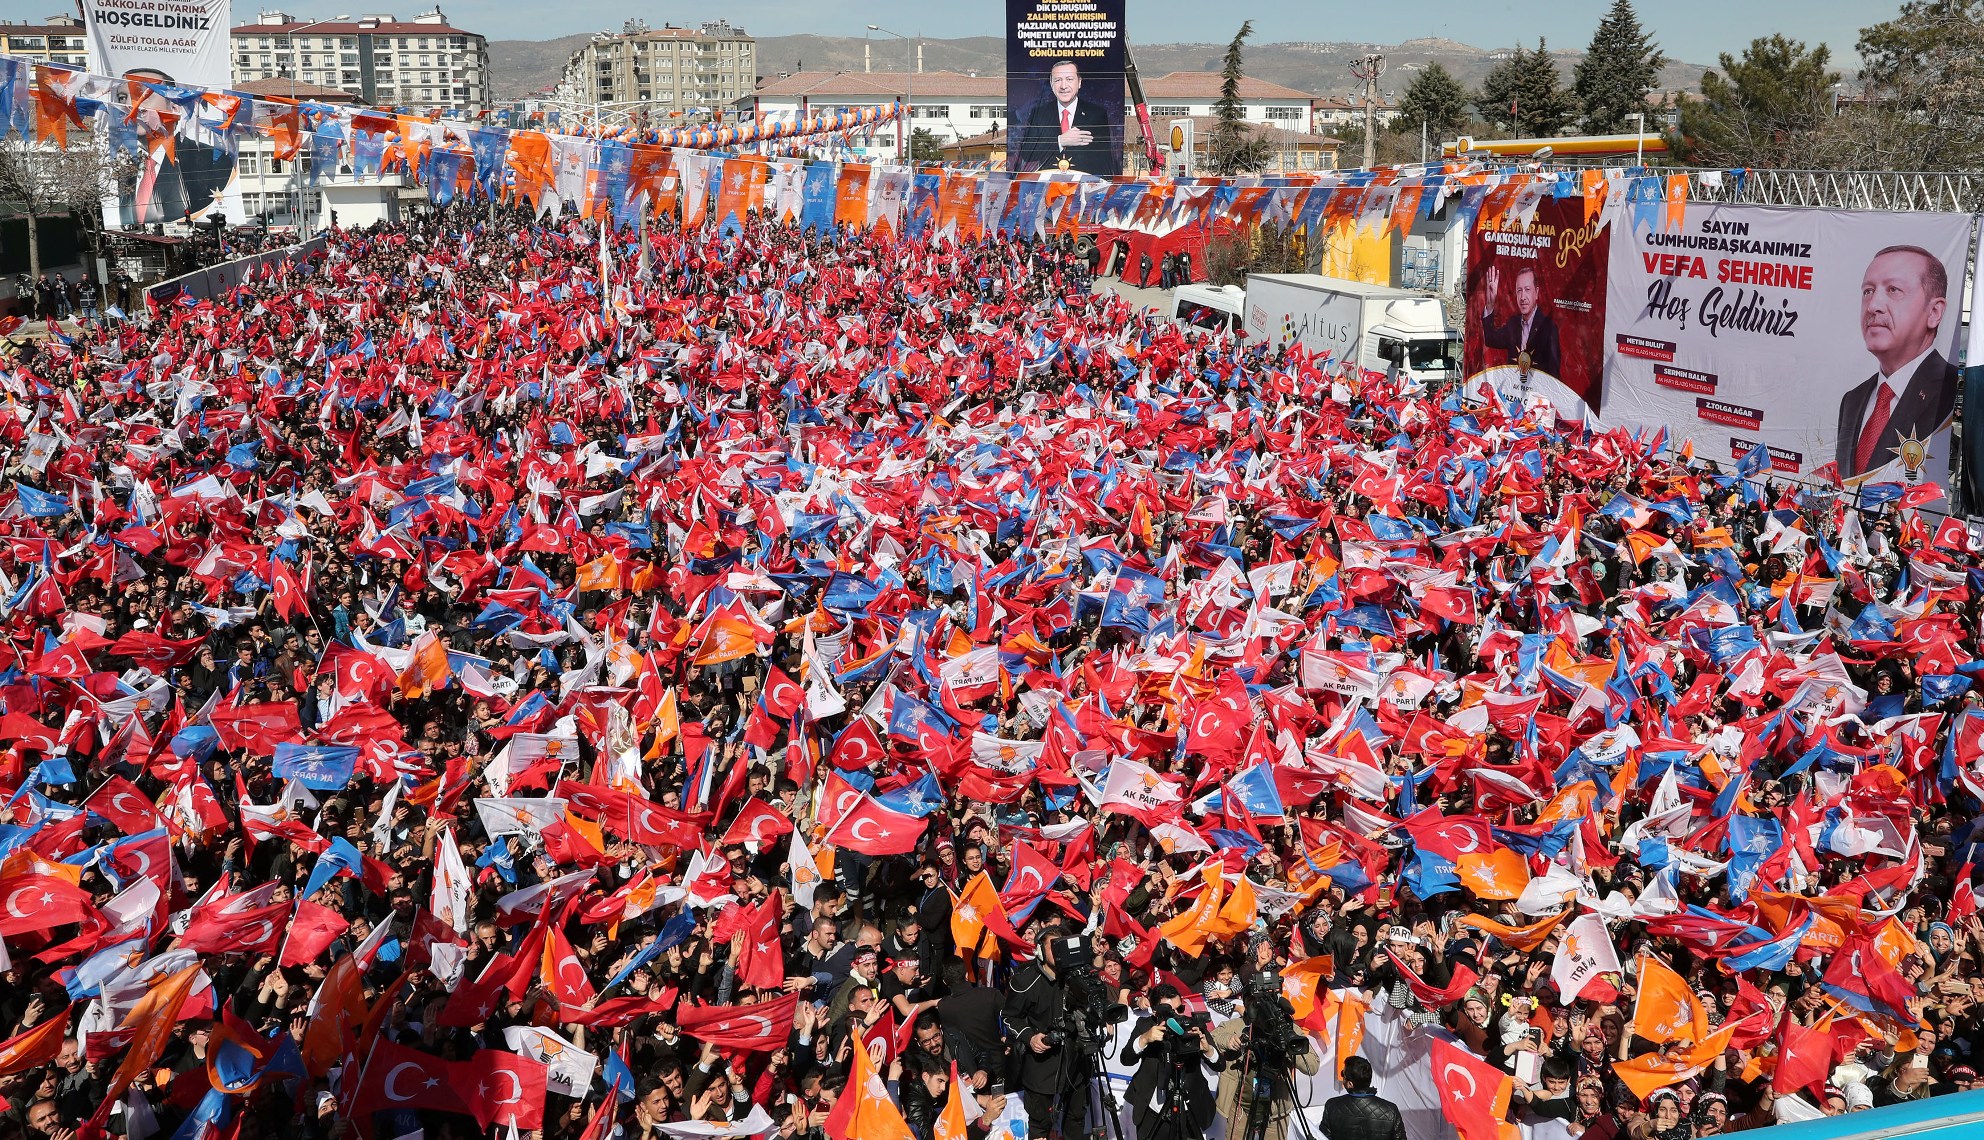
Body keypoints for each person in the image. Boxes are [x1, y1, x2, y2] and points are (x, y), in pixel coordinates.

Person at [1835, 244, 1959, 481]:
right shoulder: (1853, 400)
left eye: (1893, 289)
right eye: (1868, 291)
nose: (1873, 306)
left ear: (1934, 312)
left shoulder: (1950, 389)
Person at [1122, 983, 1221, 1140]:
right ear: (1155, 1011)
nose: (1177, 1015)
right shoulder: (1145, 1025)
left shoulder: (1193, 1026)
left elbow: (1220, 1065)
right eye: (1170, 1012)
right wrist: (1144, 1039)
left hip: (1189, 1110)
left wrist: (1207, 1049)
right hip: (1153, 1111)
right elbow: (1126, 1059)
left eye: (1180, 1009)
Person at [1013, 60, 1116, 176]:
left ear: (1079, 82)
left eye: (1069, 79)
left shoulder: (1097, 114)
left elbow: (1104, 159)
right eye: (1058, 80)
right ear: (1051, 84)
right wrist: (1060, 141)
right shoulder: (1039, 113)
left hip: (1084, 184)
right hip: (1049, 184)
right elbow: (1027, 152)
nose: (1063, 86)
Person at [1478, 262, 1561, 378]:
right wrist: (1490, 304)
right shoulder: (1513, 324)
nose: (1523, 297)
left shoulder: (1548, 328)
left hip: (1537, 388)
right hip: (1513, 387)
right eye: (1519, 290)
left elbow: (1554, 374)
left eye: (1527, 289)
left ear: (1536, 293)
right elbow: (1490, 339)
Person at [1320, 1056, 1406, 1140]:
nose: (1342, 1078)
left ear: (1350, 1084)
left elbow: (1321, 1137)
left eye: (1343, 1074)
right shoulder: (1391, 1110)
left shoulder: (1332, 1106)